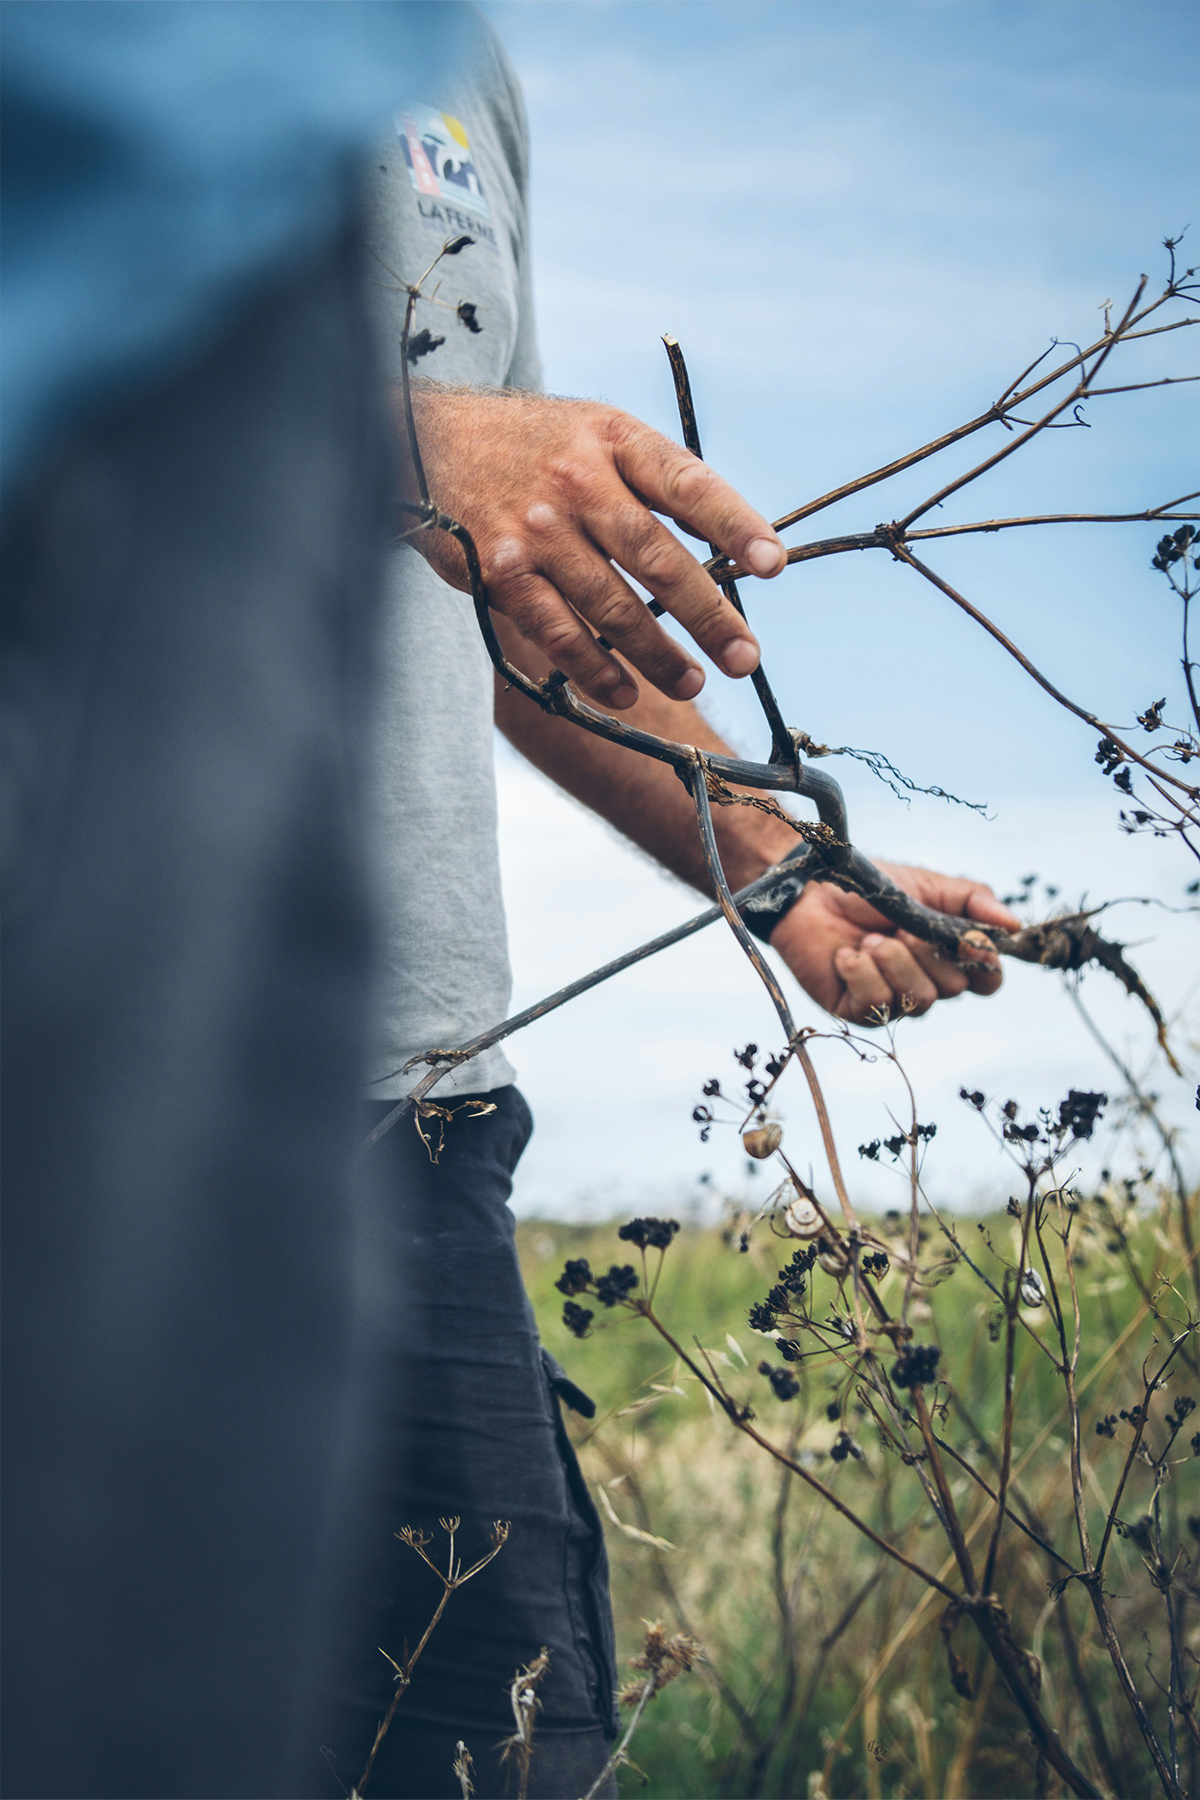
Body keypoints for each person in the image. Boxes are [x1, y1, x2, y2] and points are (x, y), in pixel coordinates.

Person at [318, 15, 1020, 1799]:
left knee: (489, 1759)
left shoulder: (450, 64)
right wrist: (396, 434)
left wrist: (775, 863)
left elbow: (514, 585)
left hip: (400, 1128)